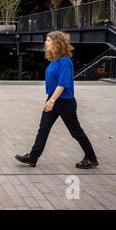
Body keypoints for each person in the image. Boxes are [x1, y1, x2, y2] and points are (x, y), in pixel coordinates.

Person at [15, 31, 98, 169]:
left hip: (65, 102)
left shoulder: (65, 61)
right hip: (53, 99)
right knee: (43, 128)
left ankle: (91, 158)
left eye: (48, 40)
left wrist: (51, 101)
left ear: (57, 43)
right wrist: (50, 99)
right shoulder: (54, 60)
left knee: (75, 132)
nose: (45, 43)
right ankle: (33, 157)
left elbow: (62, 84)